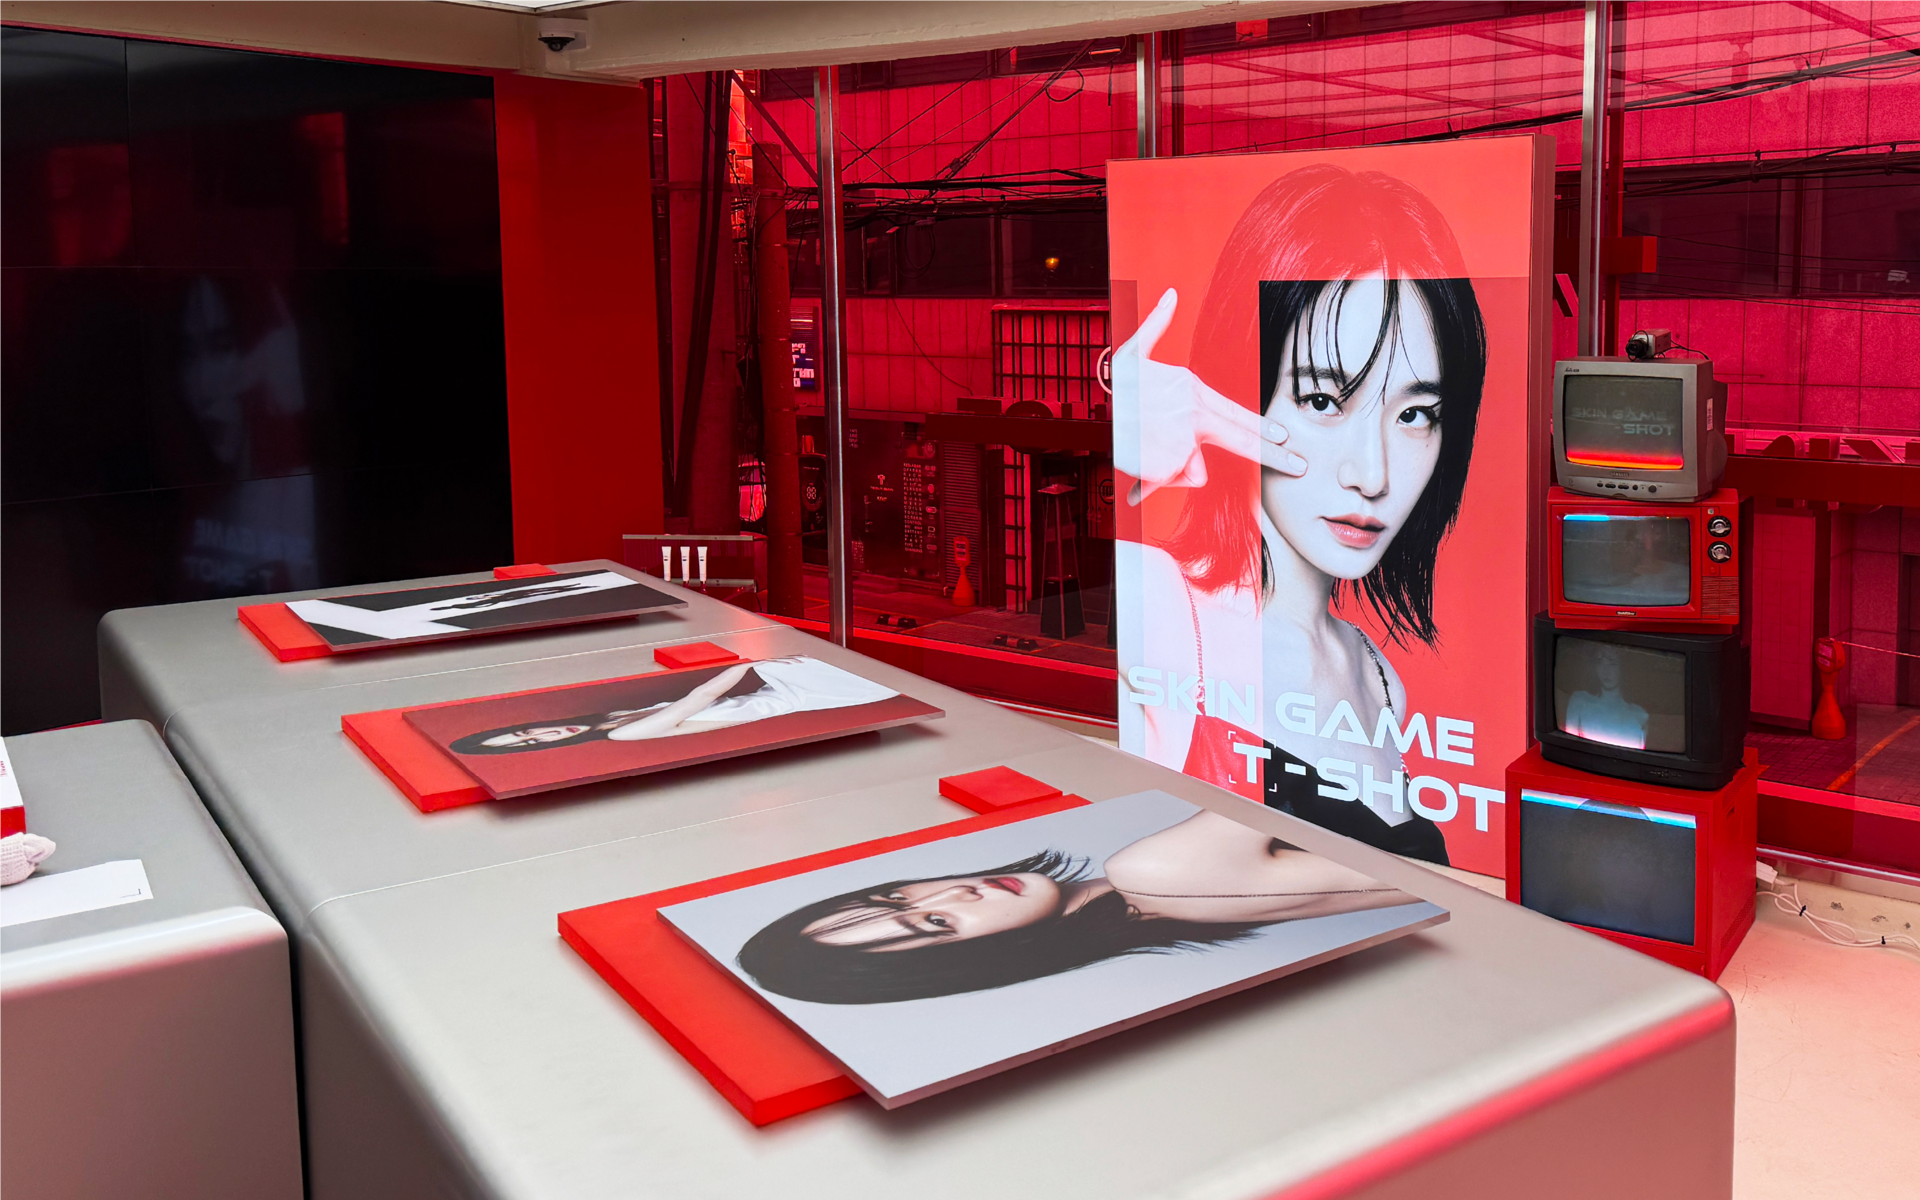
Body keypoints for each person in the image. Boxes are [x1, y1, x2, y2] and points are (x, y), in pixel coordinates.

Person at [1114, 165, 1488, 866]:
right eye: (1322, 401)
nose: (1372, 475)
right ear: (1238, 386)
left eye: (1415, 414)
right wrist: (1113, 409)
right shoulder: (1158, 598)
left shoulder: (1377, 675)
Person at [738, 807, 1414, 1004]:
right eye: (935, 922)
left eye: (895, 895)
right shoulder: (1154, 878)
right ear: (967, 962)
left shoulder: (1140, 888)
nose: (950, 891)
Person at [449, 656, 899, 754]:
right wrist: (750, 660)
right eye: (531, 742)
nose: (542, 733)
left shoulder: (614, 718)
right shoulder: (625, 733)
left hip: (778, 690)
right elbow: (701, 698)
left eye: (525, 730)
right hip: (794, 696)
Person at [1561, 644, 1650, 750]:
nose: (1606, 671)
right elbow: (1570, 748)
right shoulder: (1579, 701)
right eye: (1600, 663)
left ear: (1623, 667)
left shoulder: (1640, 714)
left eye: (1612, 664)